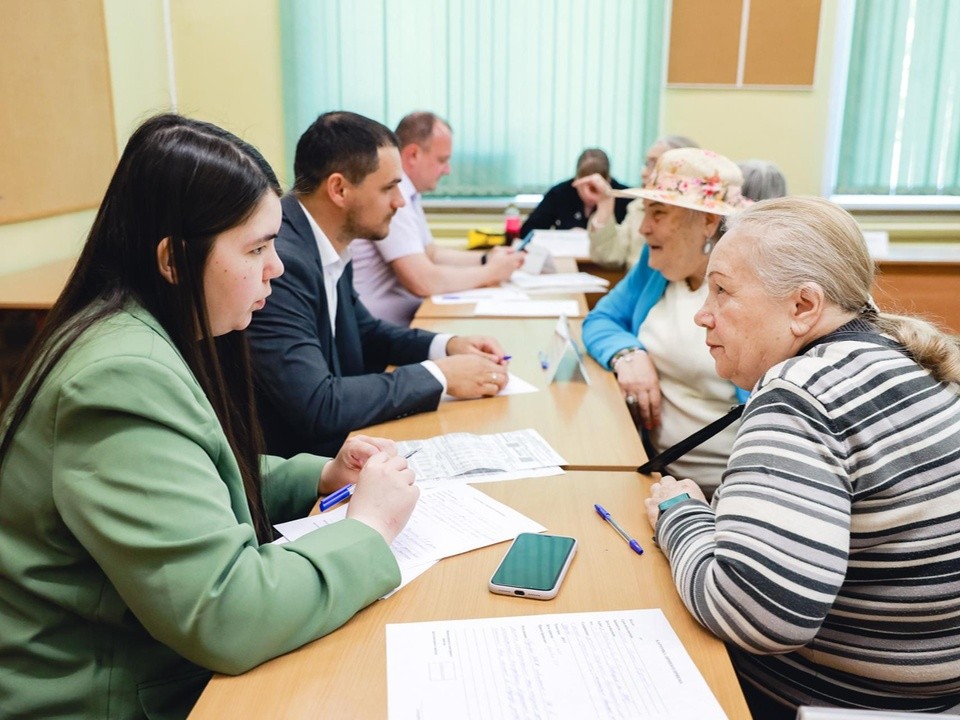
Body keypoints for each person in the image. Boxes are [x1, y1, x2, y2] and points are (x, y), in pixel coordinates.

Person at [0, 114, 420, 719]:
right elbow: (228, 615)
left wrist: (320, 477)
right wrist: (369, 529)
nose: (276, 267)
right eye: (256, 248)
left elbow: (190, 477)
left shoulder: (139, 331)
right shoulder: (118, 377)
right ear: (173, 260)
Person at [646, 196, 960, 718]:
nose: (704, 315)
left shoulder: (802, 395)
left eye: (722, 290)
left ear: (803, 307)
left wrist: (680, 518)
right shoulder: (901, 357)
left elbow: (755, 614)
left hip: (832, 702)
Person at [247, 111, 510, 459]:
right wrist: (439, 375)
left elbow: (366, 332)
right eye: (389, 187)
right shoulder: (284, 261)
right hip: (303, 473)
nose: (401, 201)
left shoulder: (326, 240)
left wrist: (448, 345)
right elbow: (318, 404)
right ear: (339, 189)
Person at [582, 148, 750, 497]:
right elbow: (600, 319)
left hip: (727, 496)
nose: (644, 228)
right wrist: (628, 354)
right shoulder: (656, 264)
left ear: (708, 220)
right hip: (655, 476)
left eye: (658, 213)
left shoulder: (752, 291)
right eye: (645, 211)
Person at [351, 111, 523, 325]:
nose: (448, 170)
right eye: (442, 160)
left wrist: (485, 259)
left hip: (404, 323)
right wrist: (491, 272)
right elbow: (423, 281)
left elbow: (431, 253)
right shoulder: (394, 195)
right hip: (381, 333)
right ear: (413, 154)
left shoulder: (409, 193)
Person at [575, 134, 699, 269]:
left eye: (654, 164)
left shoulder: (694, 214)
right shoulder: (637, 206)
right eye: (646, 164)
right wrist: (605, 203)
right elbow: (611, 256)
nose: (643, 173)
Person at [517, 147, 632, 238]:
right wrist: (563, 236)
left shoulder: (625, 196)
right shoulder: (559, 193)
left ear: (608, 181)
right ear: (576, 180)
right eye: (585, 187)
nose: (590, 195)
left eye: (596, 188)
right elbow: (528, 231)